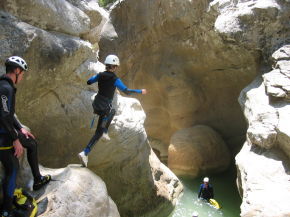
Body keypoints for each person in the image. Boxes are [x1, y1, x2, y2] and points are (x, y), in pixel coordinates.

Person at [0, 56, 51, 217]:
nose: (22, 77)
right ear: (16, 71)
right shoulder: (5, 88)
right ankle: (7, 211)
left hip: (5, 133)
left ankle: (37, 179)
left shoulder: (4, 85)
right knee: (12, 169)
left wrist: (20, 128)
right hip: (3, 137)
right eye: (22, 74)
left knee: (31, 143)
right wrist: (15, 139)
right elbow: (3, 115)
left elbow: (9, 114)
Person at [78, 54, 147, 167]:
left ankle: (104, 132)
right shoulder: (115, 79)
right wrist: (140, 91)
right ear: (114, 67)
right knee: (100, 129)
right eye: (116, 67)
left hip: (97, 104)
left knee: (112, 112)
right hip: (105, 108)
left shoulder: (100, 75)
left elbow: (89, 82)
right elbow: (127, 91)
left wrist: (96, 79)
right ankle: (86, 151)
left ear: (106, 65)